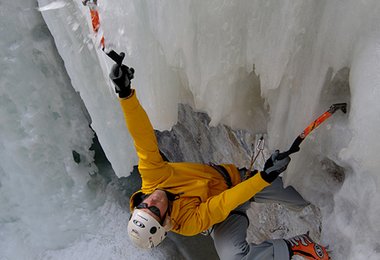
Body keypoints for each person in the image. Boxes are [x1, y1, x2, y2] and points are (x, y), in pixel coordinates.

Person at [109, 58, 330, 260]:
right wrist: (265, 176)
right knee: (234, 258)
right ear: (164, 221)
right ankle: (298, 246)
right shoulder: (187, 224)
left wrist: (125, 93)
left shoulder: (153, 178)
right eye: (155, 210)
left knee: (304, 198)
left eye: (144, 204)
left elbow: (142, 137)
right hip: (223, 213)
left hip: (238, 182)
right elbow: (223, 204)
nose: (152, 201)